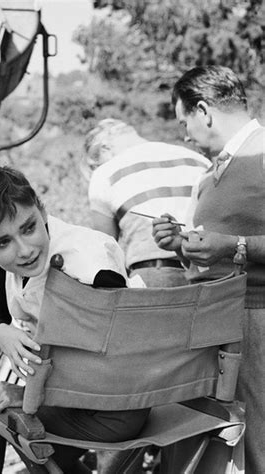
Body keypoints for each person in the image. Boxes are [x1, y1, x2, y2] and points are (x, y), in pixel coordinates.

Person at [0, 165, 150, 474]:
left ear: (42, 210)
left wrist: (26, 395)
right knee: (37, 449)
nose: (24, 250)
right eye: (1, 242)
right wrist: (2, 332)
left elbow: (108, 358)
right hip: (76, 398)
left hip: (112, 406)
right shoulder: (11, 259)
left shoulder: (90, 264)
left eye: (29, 228)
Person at [152, 66, 265, 473]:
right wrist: (181, 245)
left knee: (259, 442)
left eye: (185, 122)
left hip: (256, 319)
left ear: (204, 111)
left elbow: (232, 245)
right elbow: (213, 249)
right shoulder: (211, 173)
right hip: (218, 322)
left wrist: (232, 245)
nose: (184, 134)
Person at [86, 118, 209, 287]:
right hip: (210, 272)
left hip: (154, 276)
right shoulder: (198, 159)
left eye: (96, 163)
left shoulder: (104, 172)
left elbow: (106, 250)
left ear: (105, 148)